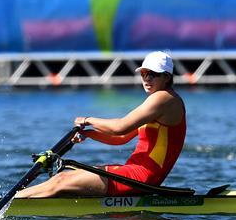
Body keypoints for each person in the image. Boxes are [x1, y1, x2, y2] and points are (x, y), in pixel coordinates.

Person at [16, 51, 186, 197]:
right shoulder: (159, 102)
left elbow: (120, 127)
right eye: (143, 74)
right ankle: (18, 201)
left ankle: (10, 205)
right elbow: (121, 138)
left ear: (167, 77)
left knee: (62, 180)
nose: (146, 79)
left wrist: (88, 120)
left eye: (153, 74)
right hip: (135, 172)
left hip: (141, 177)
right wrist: (89, 133)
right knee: (63, 180)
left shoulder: (163, 99)